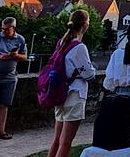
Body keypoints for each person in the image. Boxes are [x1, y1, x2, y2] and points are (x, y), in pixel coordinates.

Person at [47, 10, 96, 157]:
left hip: (60, 92)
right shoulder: (79, 47)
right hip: (74, 94)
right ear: (85, 25)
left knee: (56, 140)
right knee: (66, 142)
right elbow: (88, 73)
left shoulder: (62, 42)